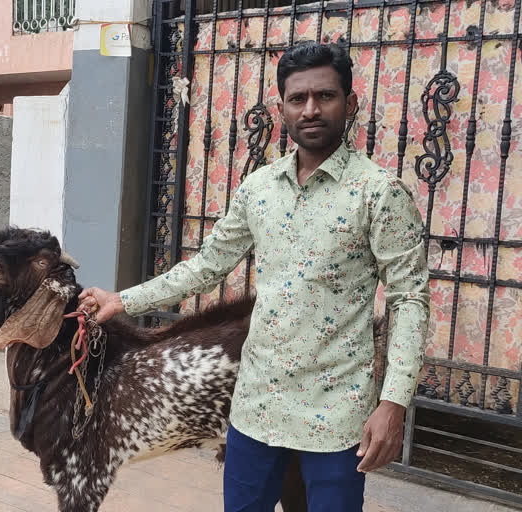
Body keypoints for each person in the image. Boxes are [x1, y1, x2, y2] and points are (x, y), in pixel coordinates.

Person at [78, 43, 429, 511]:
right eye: (297, 98)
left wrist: (393, 404)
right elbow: (206, 266)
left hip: (337, 414)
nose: (310, 109)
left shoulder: (379, 193)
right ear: (281, 107)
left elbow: (409, 300)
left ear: (350, 103)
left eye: (325, 96)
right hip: (256, 408)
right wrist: (122, 300)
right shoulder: (260, 189)